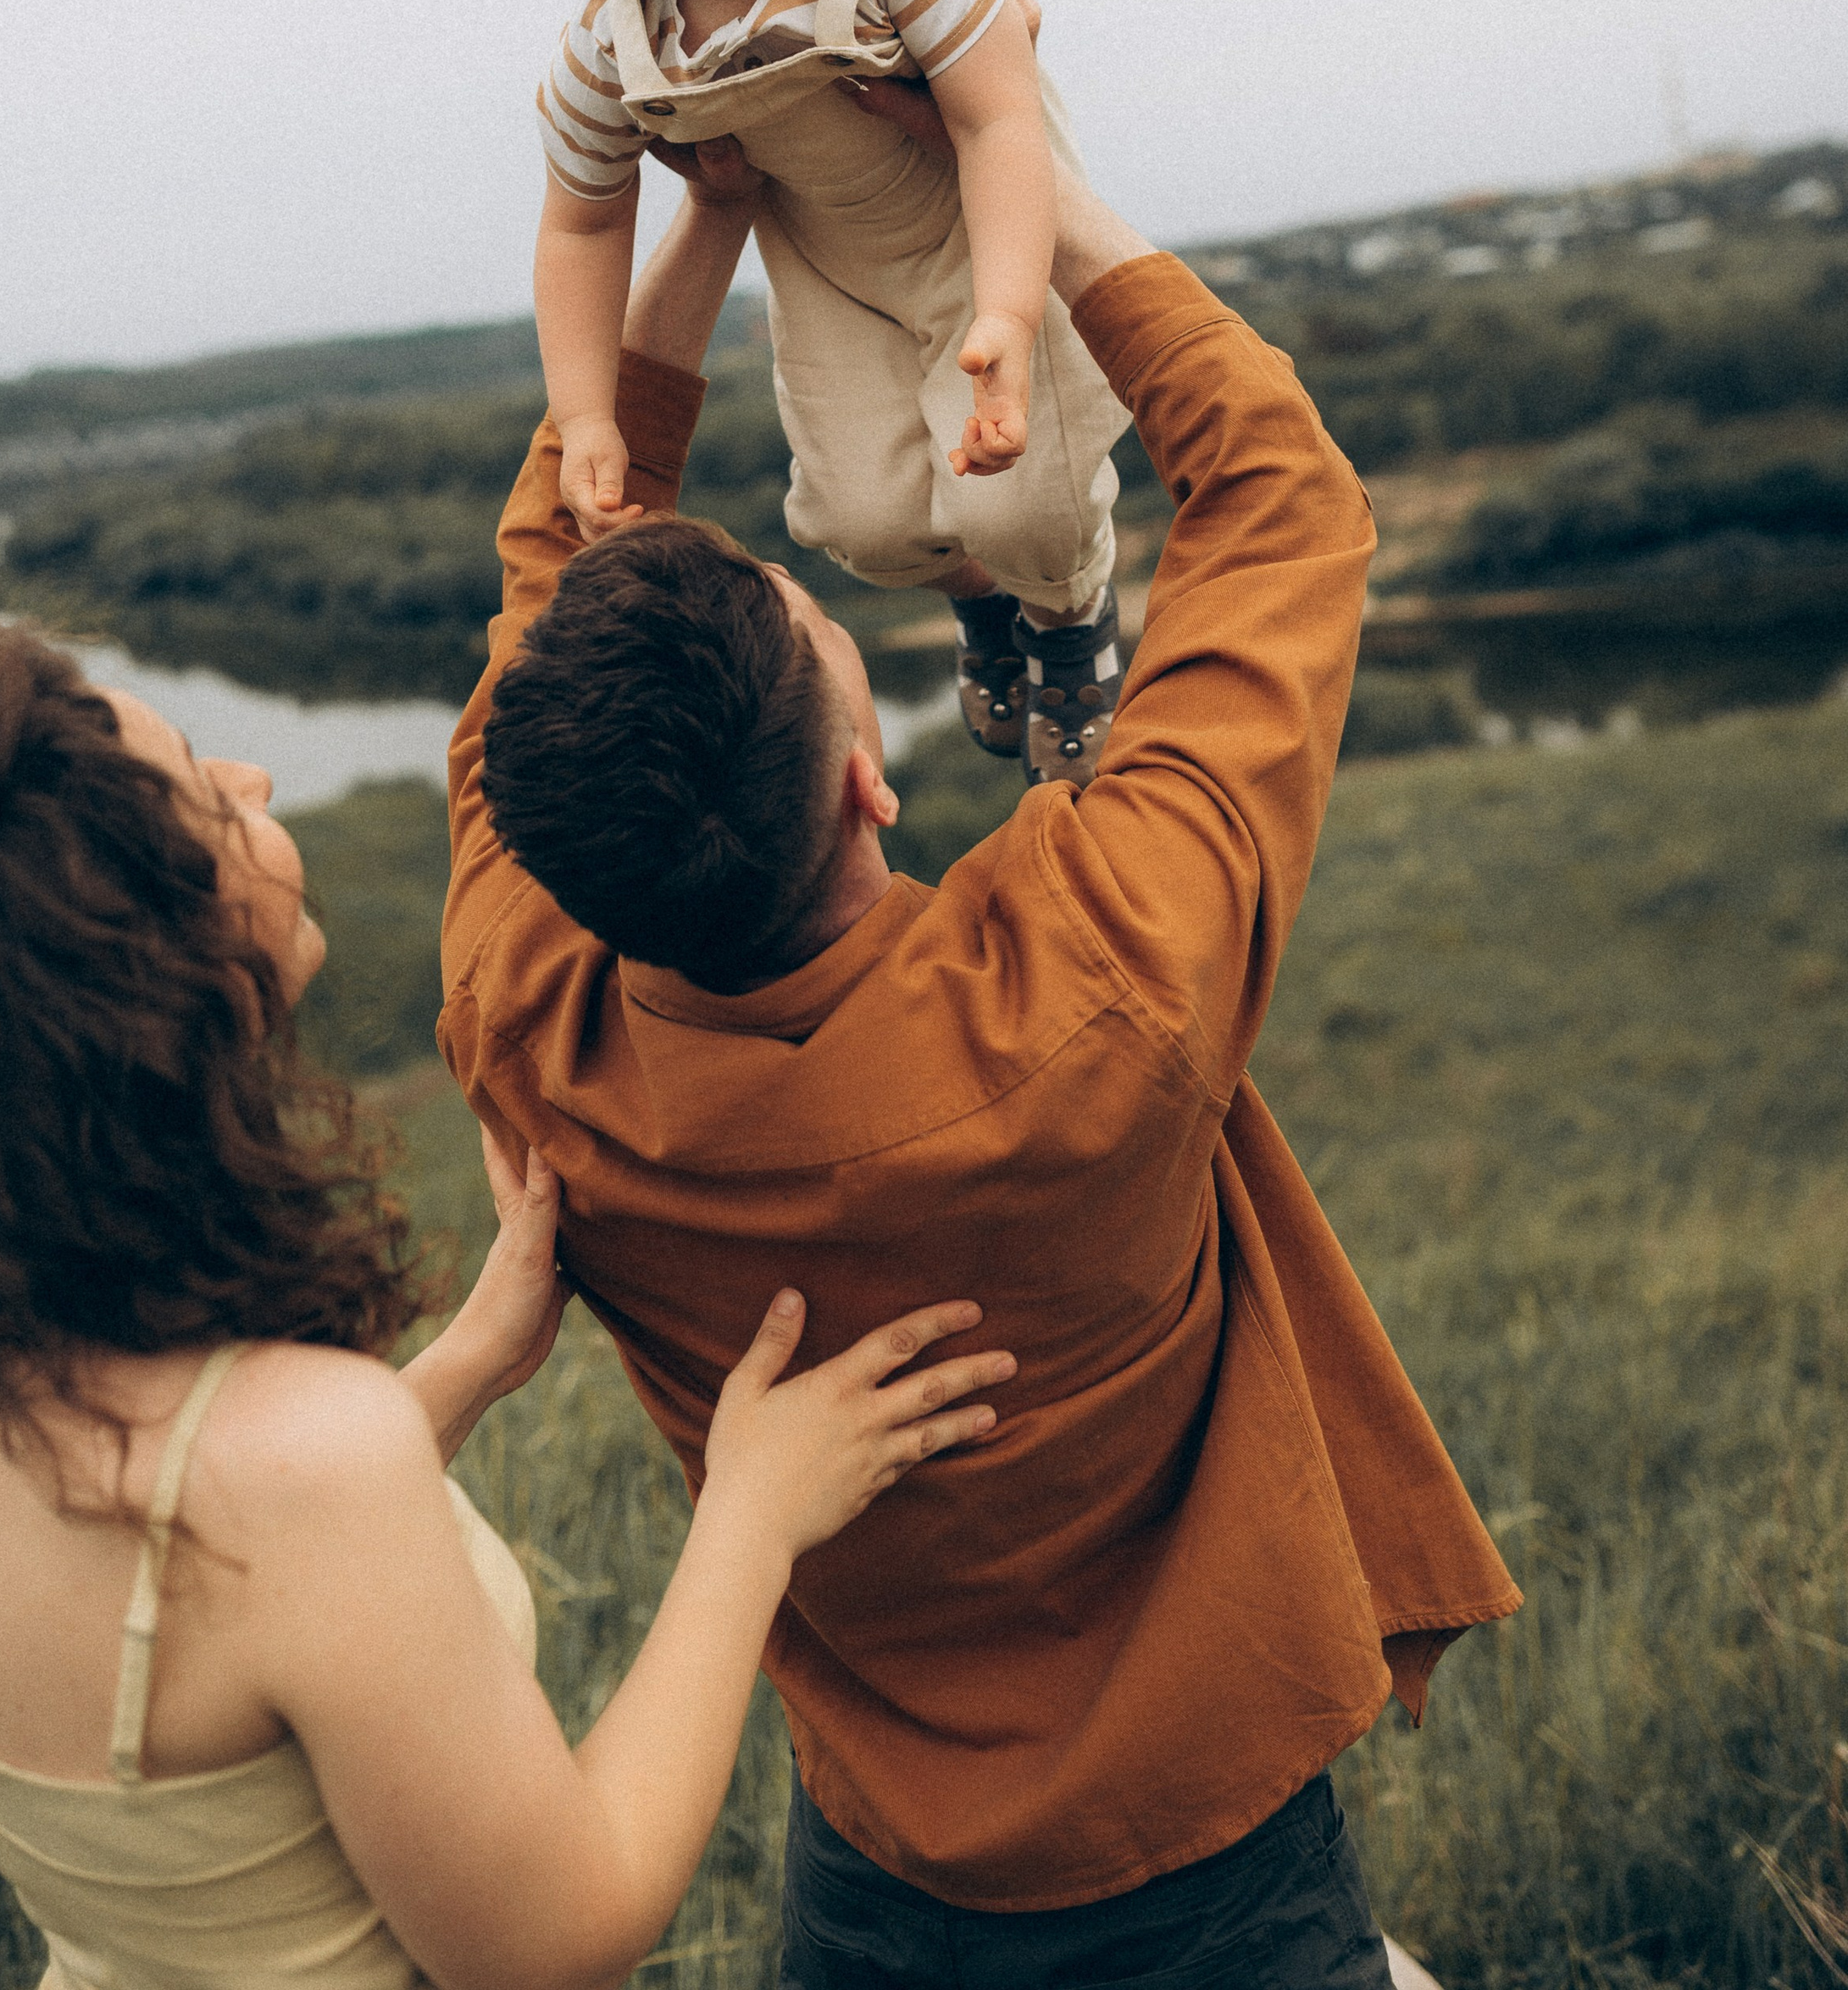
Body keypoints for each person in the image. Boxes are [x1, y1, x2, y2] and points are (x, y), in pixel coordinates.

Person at [444, 135, 1523, 1987]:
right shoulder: (1103, 975)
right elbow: (1282, 499)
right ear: (868, 783)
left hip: (876, 1866)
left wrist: (714, 212)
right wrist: (1020, 166)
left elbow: (555, 562)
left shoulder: (521, 1014)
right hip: (1211, 1862)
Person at [0, 576, 1018, 1990]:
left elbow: (191, 1594)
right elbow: (562, 1937)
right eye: (206, 794)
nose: (256, 777)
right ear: (140, 988)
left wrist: (469, 1363)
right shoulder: (311, 1471)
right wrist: (752, 1513)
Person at [406, 0, 1132, 786]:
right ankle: (984, 597)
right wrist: (588, 417)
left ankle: (1067, 618)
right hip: (831, 271)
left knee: (1025, 506)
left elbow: (1000, 119)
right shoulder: (619, 49)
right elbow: (582, 224)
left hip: (983, 237)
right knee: (864, 523)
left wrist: (1009, 310)